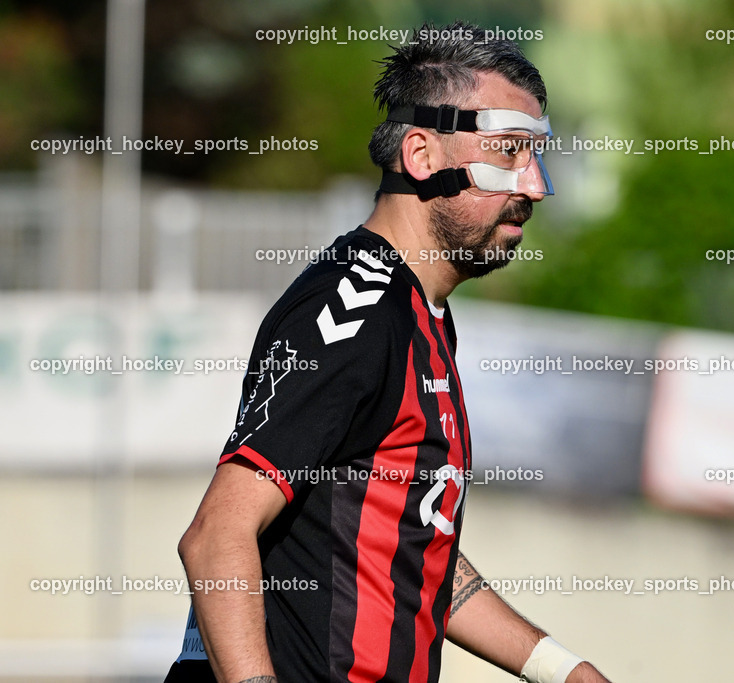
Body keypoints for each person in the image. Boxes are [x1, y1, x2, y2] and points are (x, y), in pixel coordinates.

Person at [163, 20, 613, 683]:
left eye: (537, 154)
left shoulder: (421, 311)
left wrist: (561, 669)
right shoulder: (353, 308)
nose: (537, 185)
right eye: (510, 151)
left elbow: (412, 540)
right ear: (422, 154)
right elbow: (216, 536)